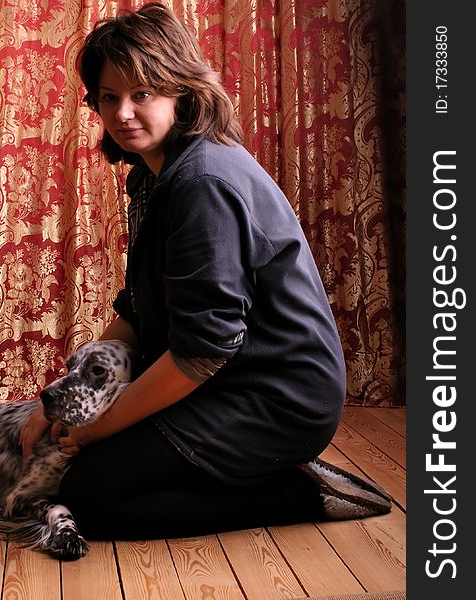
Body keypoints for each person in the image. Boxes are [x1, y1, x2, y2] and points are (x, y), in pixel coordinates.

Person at [18, 3, 360, 540]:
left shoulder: (203, 183)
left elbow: (203, 351)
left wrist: (93, 429)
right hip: (219, 380)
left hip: (273, 398)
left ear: (183, 91)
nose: (123, 113)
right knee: (81, 476)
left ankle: (300, 491)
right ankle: (243, 474)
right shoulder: (152, 176)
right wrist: (59, 397)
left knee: (91, 498)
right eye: (109, 97)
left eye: (143, 94)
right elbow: (136, 310)